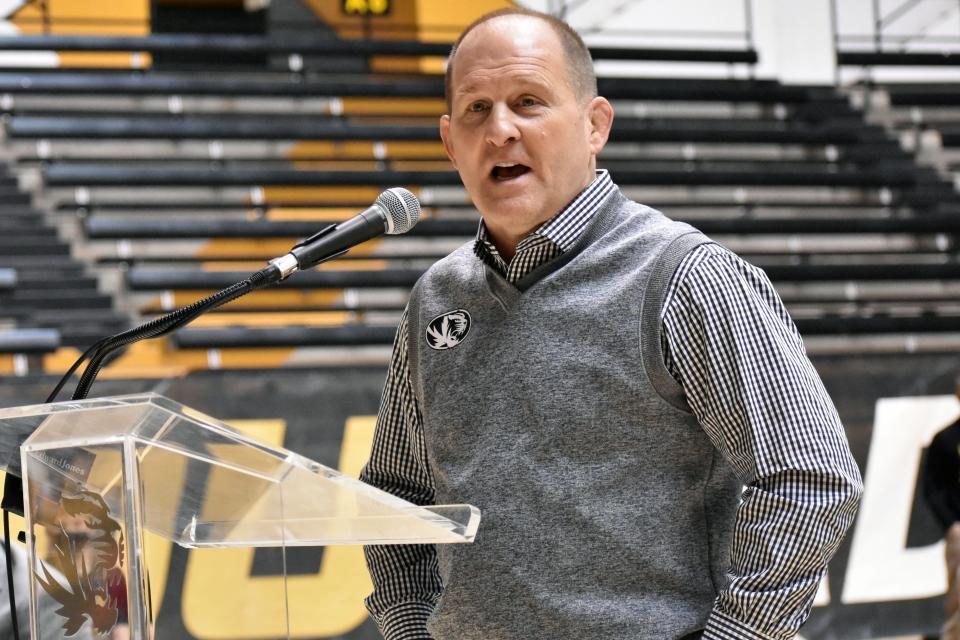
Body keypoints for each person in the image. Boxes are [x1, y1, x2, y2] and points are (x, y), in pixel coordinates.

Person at [360, 8, 863, 640]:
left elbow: (809, 477)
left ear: (594, 125)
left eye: (528, 101)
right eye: (476, 110)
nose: (501, 130)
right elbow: (392, 493)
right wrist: (411, 630)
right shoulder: (437, 297)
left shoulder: (686, 276)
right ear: (449, 141)